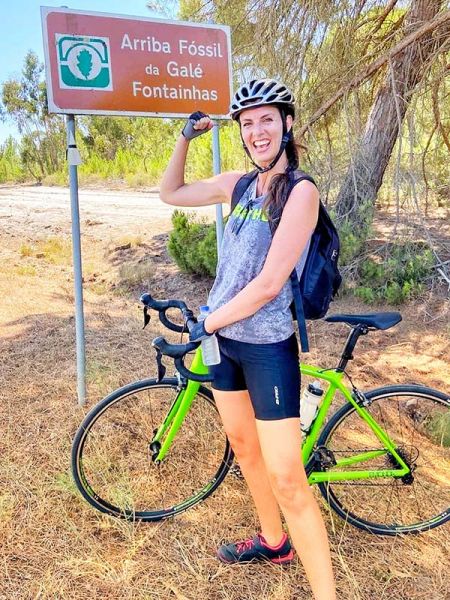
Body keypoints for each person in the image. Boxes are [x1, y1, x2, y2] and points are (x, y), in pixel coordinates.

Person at [160, 78, 336, 600]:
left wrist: (208, 323)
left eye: (267, 119)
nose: (257, 130)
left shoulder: (300, 191)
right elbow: (171, 192)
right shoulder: (240, 185)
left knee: (288, 477)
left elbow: (267, 285)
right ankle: (273, 539)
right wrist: (185, 139)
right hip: (223, 342)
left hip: (265, 347)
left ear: (287, 124)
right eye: (247, 122)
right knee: (243, 446)